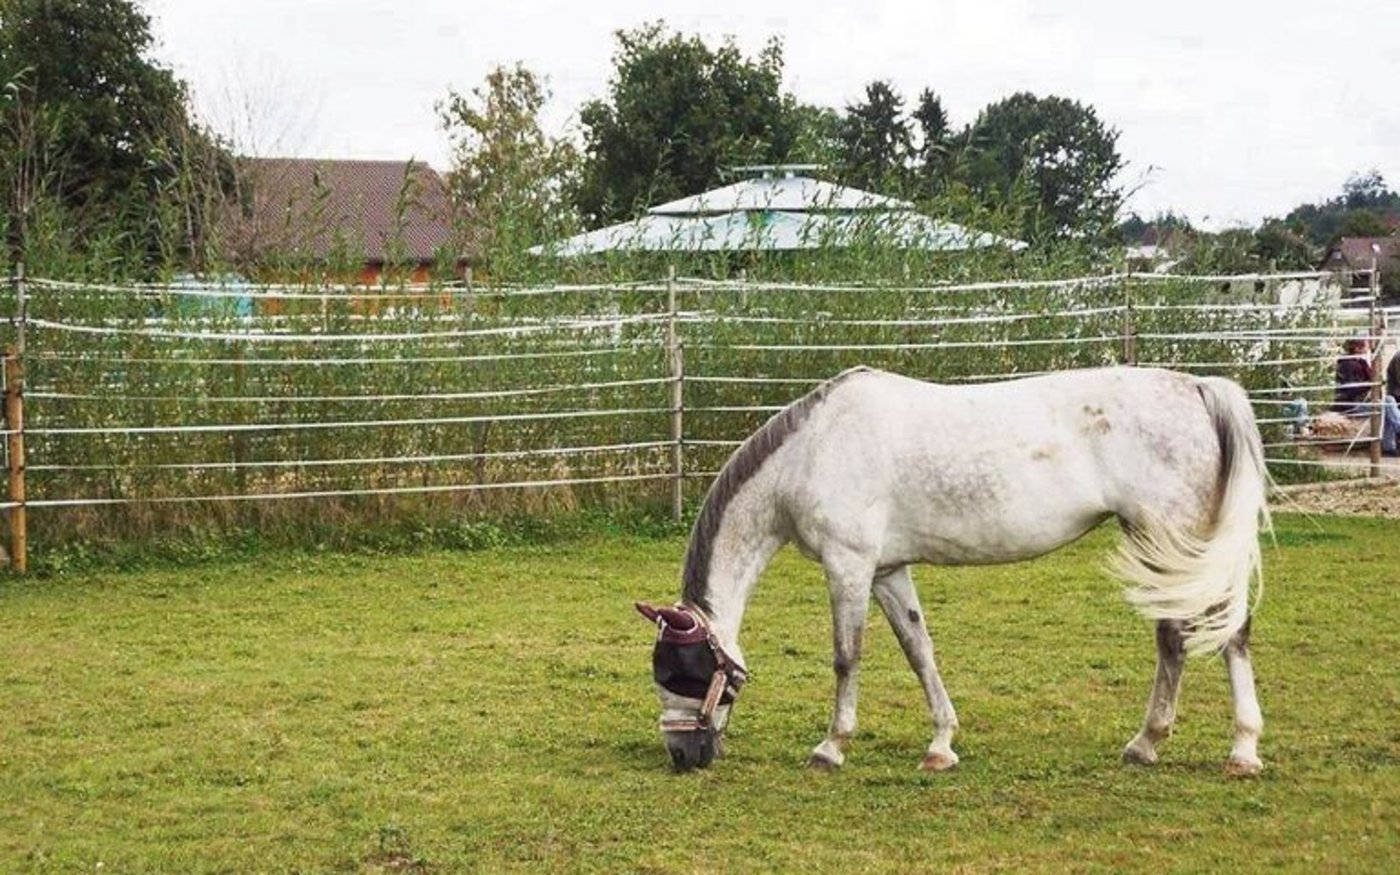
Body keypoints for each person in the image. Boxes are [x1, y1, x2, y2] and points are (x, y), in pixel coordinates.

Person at [1334, 338, 1400, 456]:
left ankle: (1388, 446)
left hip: (1361, 401)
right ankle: (1393, 436)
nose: (1369, 347)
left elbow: (1372, 379)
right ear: (1357, 347)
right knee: (1388, 402)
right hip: (1350, 404)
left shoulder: (1361, 362)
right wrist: (1370, 384)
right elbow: (1351, 389)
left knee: (1387, 403)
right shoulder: (1347, 364)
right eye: (1366, 344)